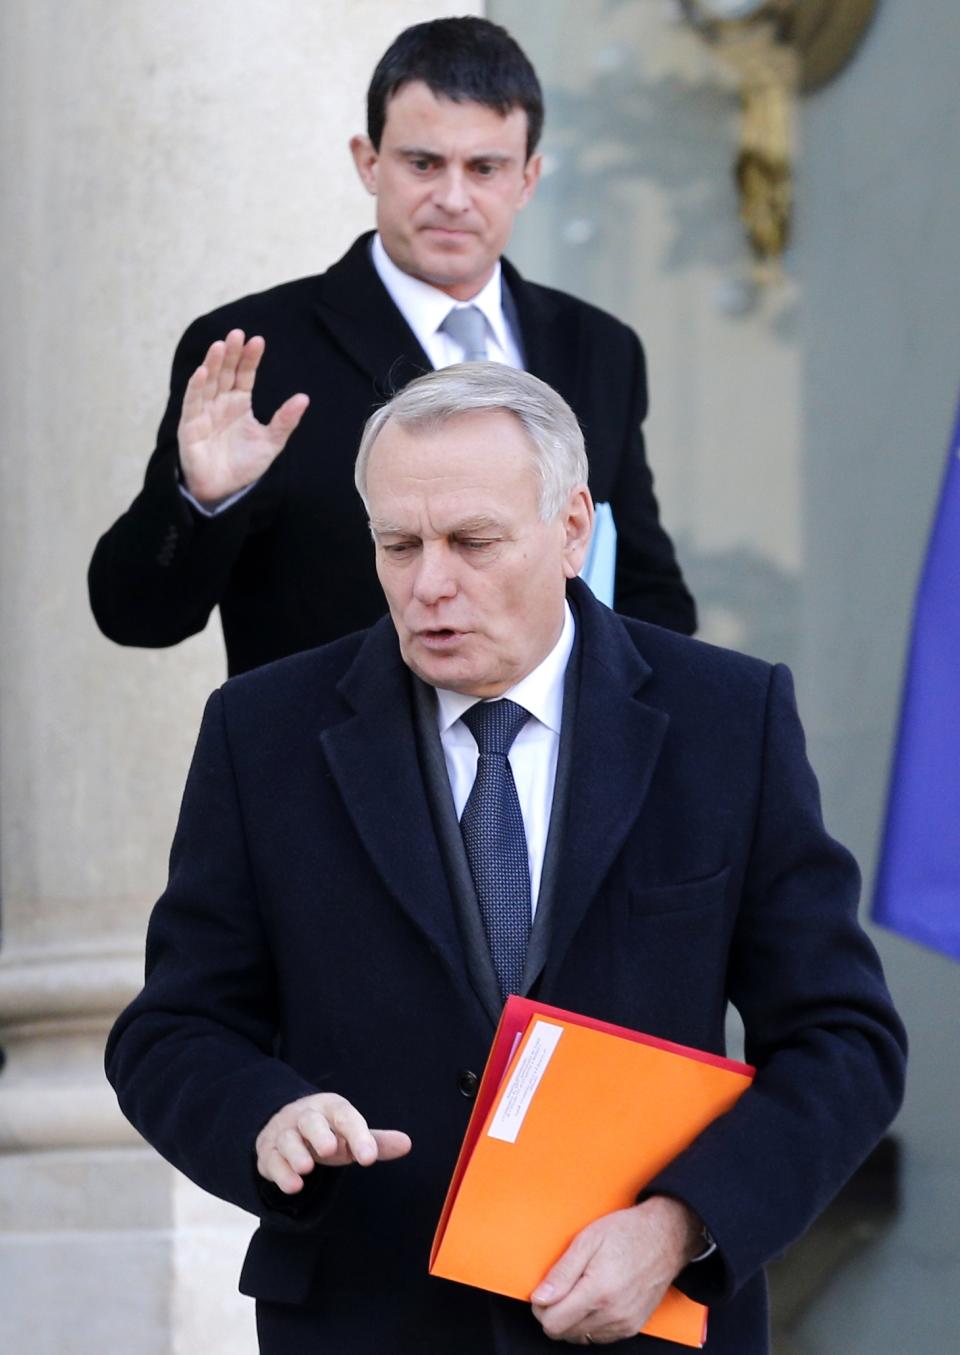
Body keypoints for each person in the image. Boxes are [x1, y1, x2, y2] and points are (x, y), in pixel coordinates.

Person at [106, 363, 905, 1354]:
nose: (430, 582)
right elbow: (172, 1029)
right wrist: (264, 1116)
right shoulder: (261, 731)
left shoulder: (726, 721)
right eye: (398, 545)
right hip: (366, 1317)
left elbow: (844, 1042)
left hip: (647, 1321)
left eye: (472, 542)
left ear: (573, 530)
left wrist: (679, 1225)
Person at [87, 16, 695, 678]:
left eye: (485, 167)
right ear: (369, 162)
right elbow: (136, 616)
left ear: (527, 178)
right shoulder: (255, 351)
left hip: (548, 768)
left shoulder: (599, 347)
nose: (453, 198)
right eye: (423, 163)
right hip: (330, 768)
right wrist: (200, 502)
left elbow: (648, 593)